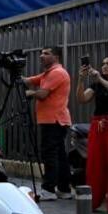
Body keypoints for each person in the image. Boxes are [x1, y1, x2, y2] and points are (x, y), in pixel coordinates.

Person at [25, 46, 72, 201]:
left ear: (56, 57)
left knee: (50, 155)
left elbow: (43, 94)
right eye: (41, 53)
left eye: (46, 53)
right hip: (55, 120)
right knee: (59, 155)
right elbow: (30, 80)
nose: (41, 56)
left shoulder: (57, 73)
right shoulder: (49, 73)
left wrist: (31, 93)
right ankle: (64, 189)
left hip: (54, 120)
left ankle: (48, 189)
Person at [78, 56, 108, 211]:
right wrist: (81, 80)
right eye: (103, 63)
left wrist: (100, 80)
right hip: (98, 126)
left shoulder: (101, 82)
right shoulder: (96, 84)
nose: (104, 66)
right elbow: (82, 98)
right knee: (96, 163)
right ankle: (95, 199)